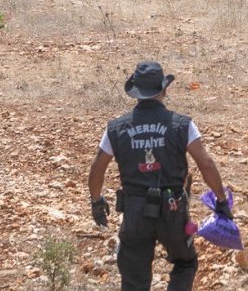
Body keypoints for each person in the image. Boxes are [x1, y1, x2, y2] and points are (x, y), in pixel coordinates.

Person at [87, 62, 232, 291]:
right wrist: (221, 200)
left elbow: (97, 168)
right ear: (164, 89)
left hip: (134, 213)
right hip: (172, 211)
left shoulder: (116, 128)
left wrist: (96, 201)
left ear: (136, 92)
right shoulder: (182, 125)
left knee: (134, 281)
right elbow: (206, 164)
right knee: (185, 262)